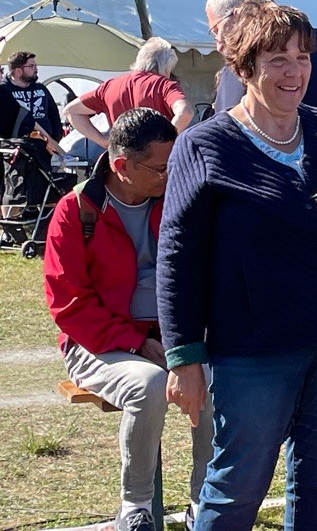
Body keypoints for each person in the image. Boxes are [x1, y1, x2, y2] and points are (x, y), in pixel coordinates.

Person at [156, 0, 317, 530]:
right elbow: (177, 258)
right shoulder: (204, 145)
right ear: (244, 66)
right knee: (236, 486)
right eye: (277, 59)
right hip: (254, 349)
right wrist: (183, 359)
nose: (294, 71)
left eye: (303, 58)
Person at [43, 108, 214, 531]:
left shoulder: (177, 198)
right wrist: (137, 343)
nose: (170, 175)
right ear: (122, 166)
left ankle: (206, 503)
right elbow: (69, 305)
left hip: (172, 337)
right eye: (160, 168)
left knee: (217, 383)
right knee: (149, 385)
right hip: (99, 345)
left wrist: (181, 338)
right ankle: (134, 507)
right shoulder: (75, 211)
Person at [65, 38, 192, 149]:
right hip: (159, 165)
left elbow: (71, 111)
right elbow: (185, 112)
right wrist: (165, 141)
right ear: (165, 67)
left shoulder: (109, 87)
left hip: (122, 162)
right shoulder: (165, 85)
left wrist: (103, 141)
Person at [1, 51, 63, 212]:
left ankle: (44, 223)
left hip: (43, 148)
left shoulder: (41, 89)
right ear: (18, 70)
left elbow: (54, 116)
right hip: (14, 151)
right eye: (31, 66)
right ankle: (11, 225)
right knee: (13, 188)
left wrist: (55, 138)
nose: (36, 69)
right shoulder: (5, 91)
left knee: (46, 188)